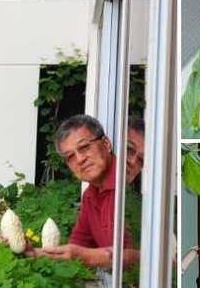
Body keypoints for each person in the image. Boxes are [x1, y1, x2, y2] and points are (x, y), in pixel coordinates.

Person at [35, 114, 143, 269]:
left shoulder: (130, 184)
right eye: (70, 156)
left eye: (84, 147)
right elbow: (79, 243)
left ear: (106, 144)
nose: (79, 159)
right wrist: (32, 252)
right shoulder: (90, 195)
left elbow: (146, 257)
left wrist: (85, 256)